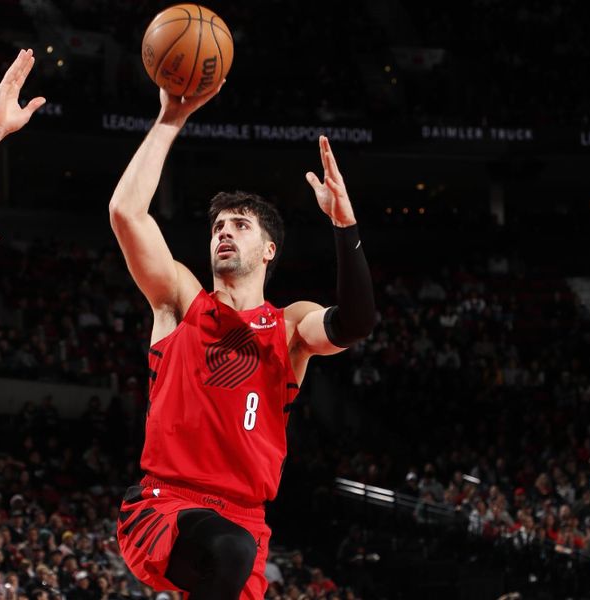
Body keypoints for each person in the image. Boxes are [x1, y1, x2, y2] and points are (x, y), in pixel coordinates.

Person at [109, 84, 375, 599]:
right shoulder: (182, 300)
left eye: (240, 225)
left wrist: (345, 225)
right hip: (167, 504)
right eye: (218, 226)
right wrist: (169, 119)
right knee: (228, 550)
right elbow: (126, 214)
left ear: (269, 248)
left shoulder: (291, 327)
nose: (224, 232)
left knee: (233, 551)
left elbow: (356, 323)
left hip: (247, 522)